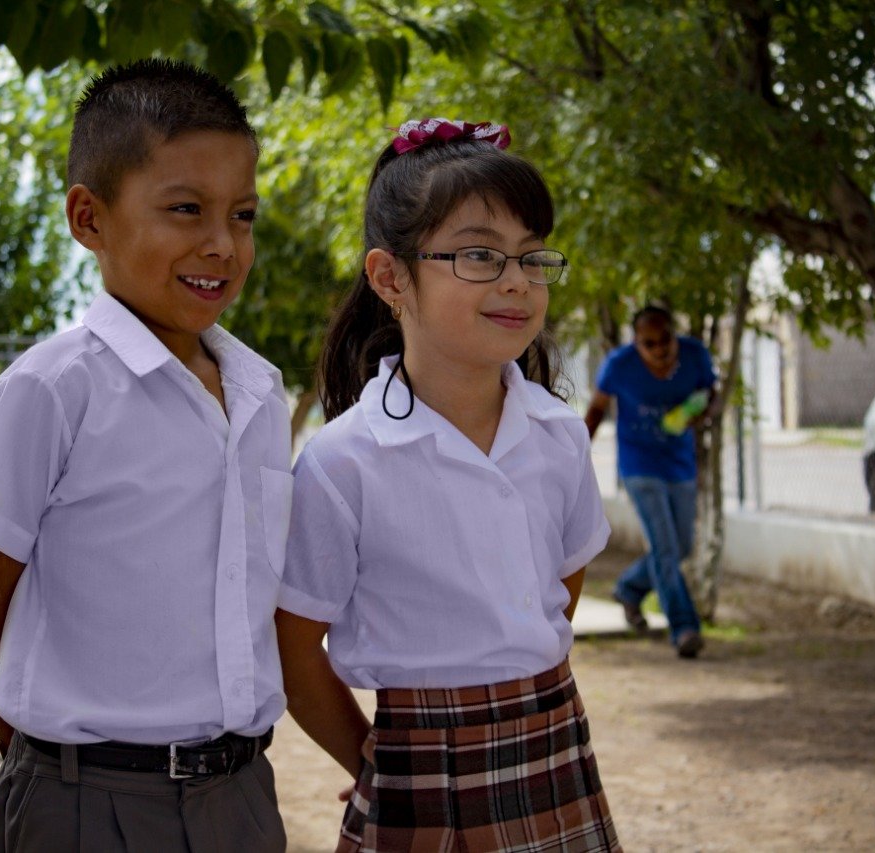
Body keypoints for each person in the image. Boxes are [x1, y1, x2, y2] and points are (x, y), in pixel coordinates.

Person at [0, 59, 289, 852]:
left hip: (241, 796)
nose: (222, 244)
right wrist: (36, 759)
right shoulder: (52, 390)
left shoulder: (260, 392)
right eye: (185, 209)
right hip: (87, 803)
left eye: (242, 215)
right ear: (88, 218)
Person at [277, 118, 622, 852]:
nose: (516, 281)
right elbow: (293, 644)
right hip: (416, 772)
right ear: (390, 278)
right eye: (478, 255)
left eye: (532, 257)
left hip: (556, 749)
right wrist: (372, 762)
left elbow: (558, 590)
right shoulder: (343, 462)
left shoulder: (559, 437)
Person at [584, 304, 719, 659]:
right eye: (649, 343)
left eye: (665, 340)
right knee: (665, 548)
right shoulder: (619, 364)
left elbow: (712, 395)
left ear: (675, 336)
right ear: (636, 343)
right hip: (639, 465)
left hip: (680, 465)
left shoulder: (695, 355)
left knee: (681, 547)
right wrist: (577, 455)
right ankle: (684, 627)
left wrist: (702, 412)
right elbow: (597, 408)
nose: (659, 349)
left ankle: (629, 588)